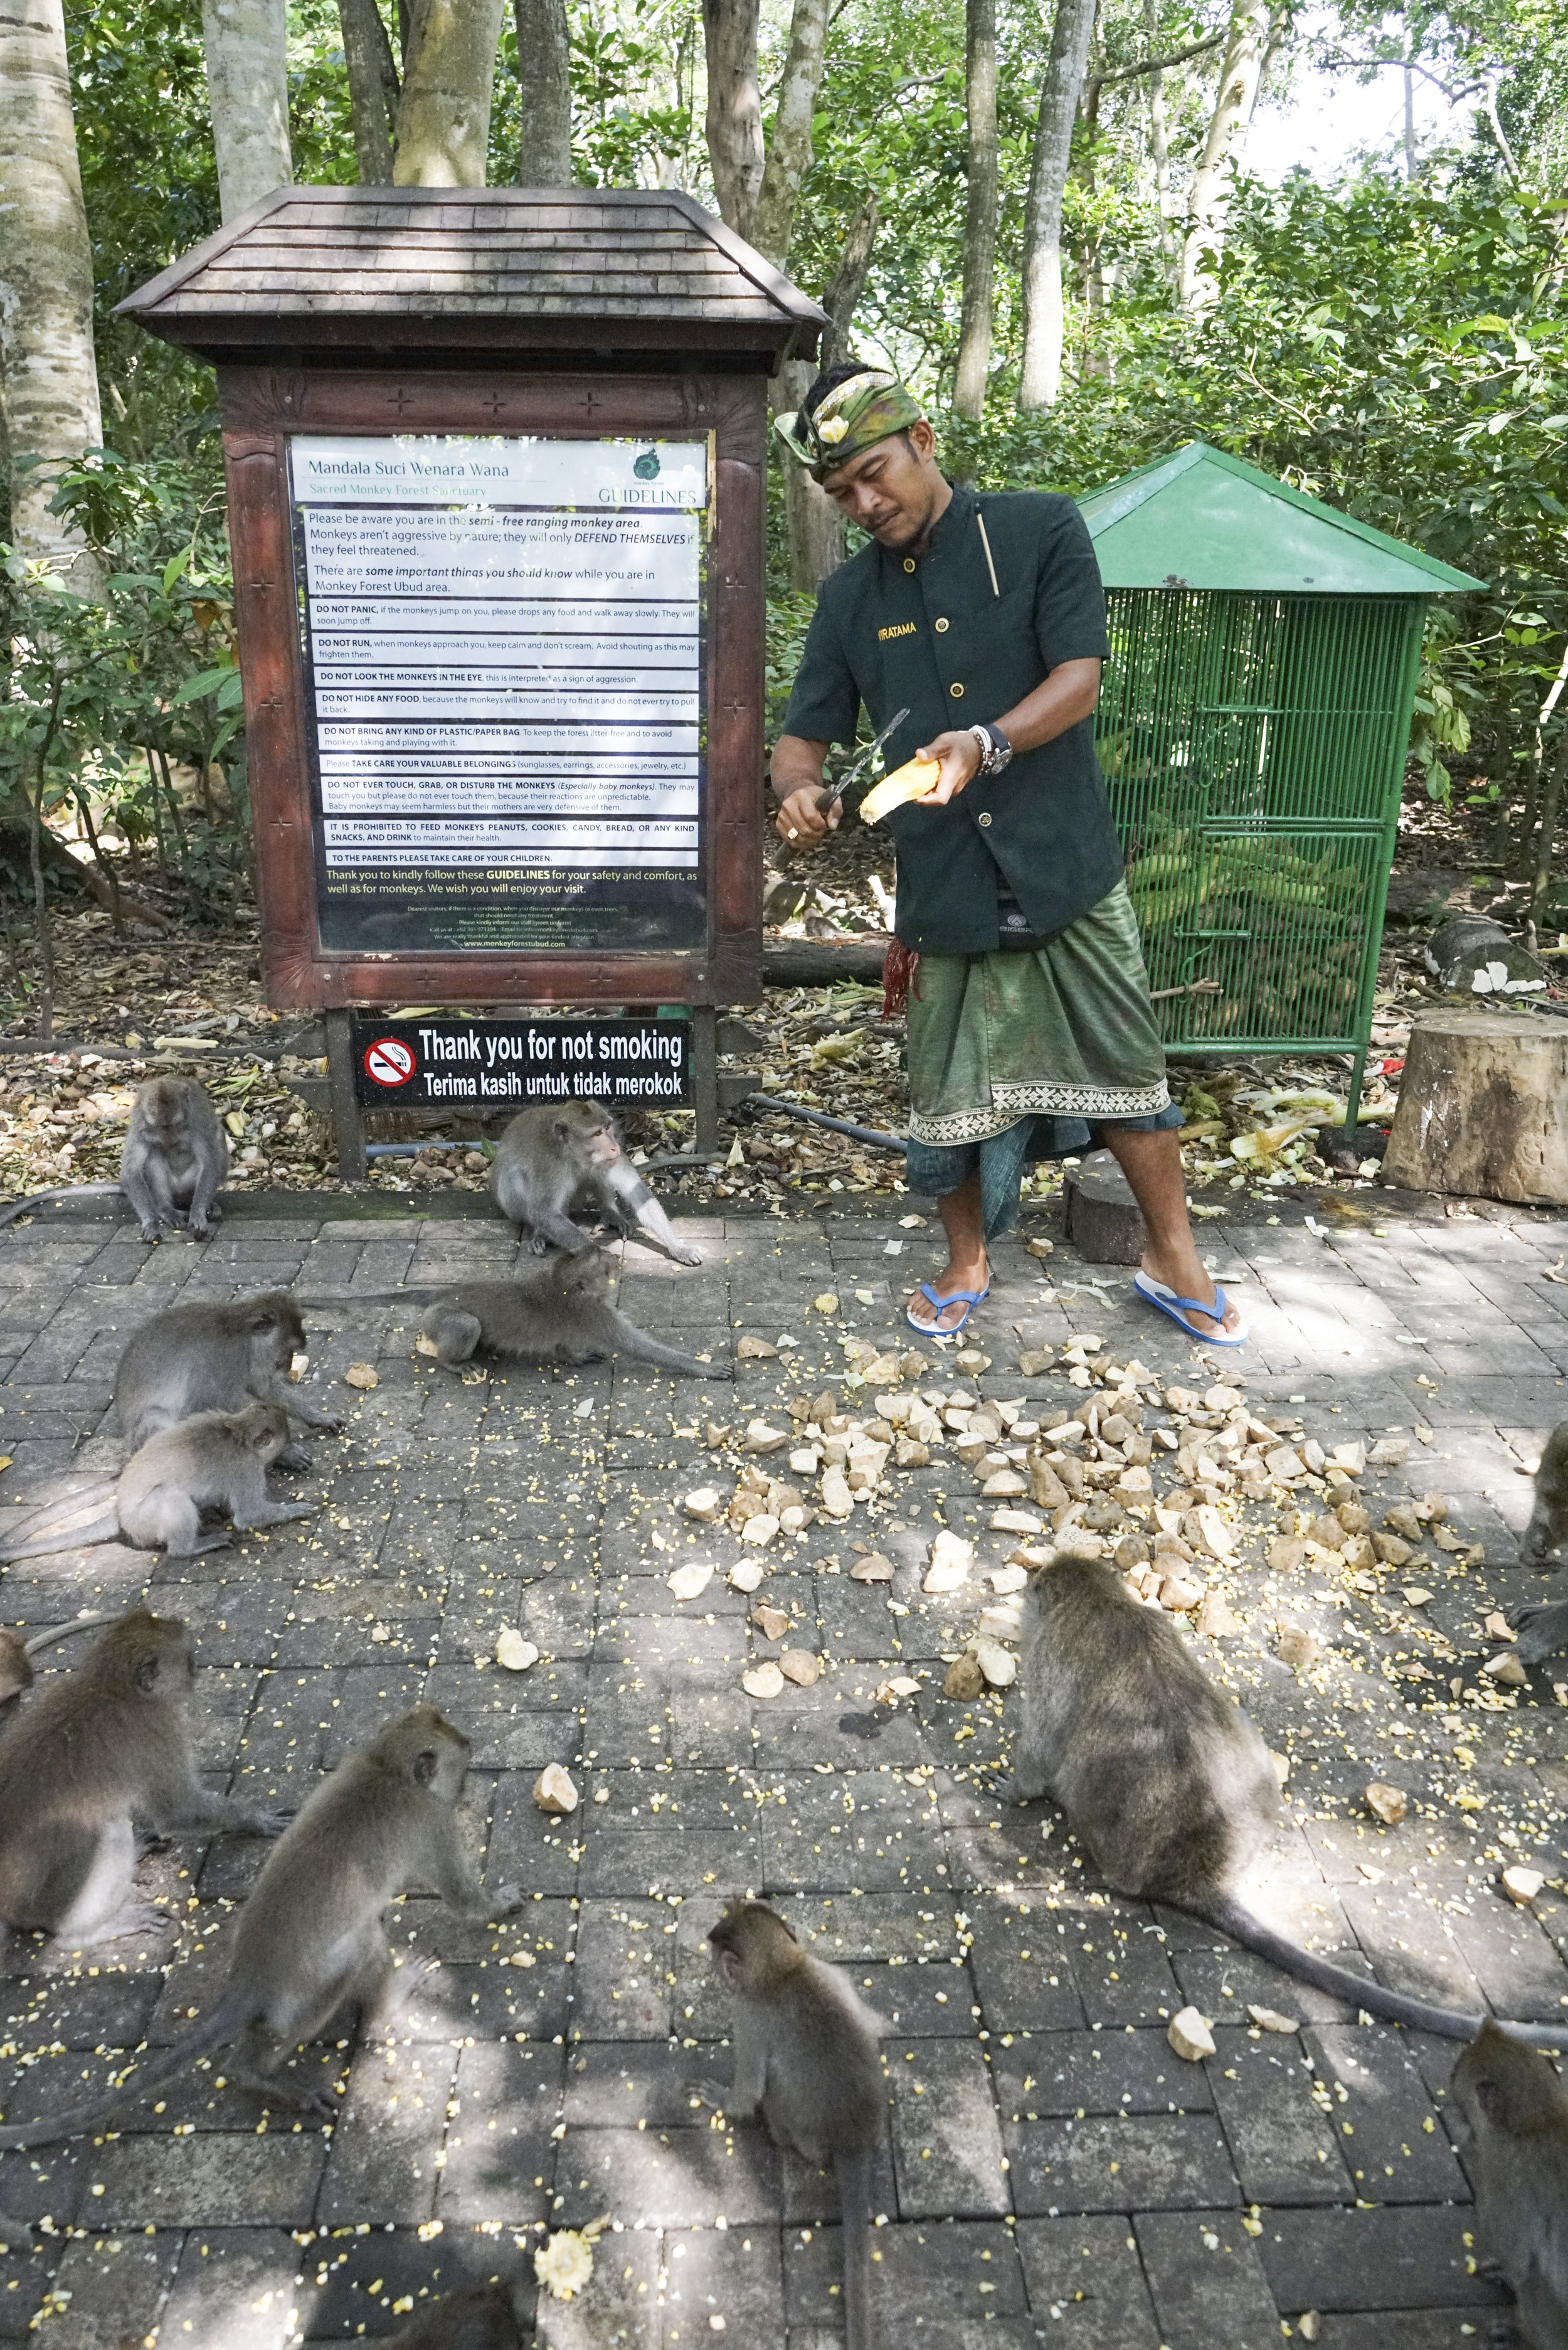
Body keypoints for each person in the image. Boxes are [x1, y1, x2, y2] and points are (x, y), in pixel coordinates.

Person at [770, 362, 1244, 1348]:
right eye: (841, 492)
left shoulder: (1038, 529)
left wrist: (986, 743)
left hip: (1064, 865)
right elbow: (801, 736)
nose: (864, 502)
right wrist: (798, 793)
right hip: (944, 886)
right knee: (945, 1095)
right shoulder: (850, 598)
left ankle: (1173, 1256)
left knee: (1130, 1072)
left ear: (925, 443)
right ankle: (967, 1260)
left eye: (875, 473)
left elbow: (1080, 679)